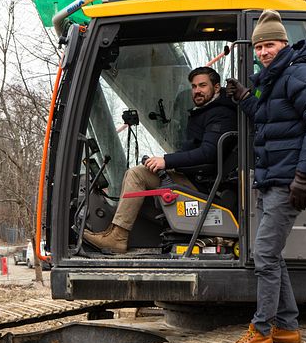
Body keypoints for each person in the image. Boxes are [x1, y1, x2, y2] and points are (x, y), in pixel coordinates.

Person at [222, 10, 306, 343]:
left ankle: (262, 330)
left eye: (269, 45)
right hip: (273, 178)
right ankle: (287, 326)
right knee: (272, 255)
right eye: (259, 47)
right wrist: (244, 99)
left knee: (265, 256)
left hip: (287, 180)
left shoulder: (300, 73)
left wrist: (303, 176)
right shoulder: (275, 78)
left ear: (283, 43)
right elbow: (272, 122)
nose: (263, 52)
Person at [84, 66, 238, 253]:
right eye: (194, 86)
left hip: (203, 183)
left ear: (216, 87)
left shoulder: (220, 113)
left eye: (203, 85)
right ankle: (113, 233)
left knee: (138, 175)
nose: (197, 90)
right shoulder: (206, 111)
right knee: (138, 173)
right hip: (194, 176)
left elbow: (208, 153)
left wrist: (166, 161)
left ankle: (117, 237)